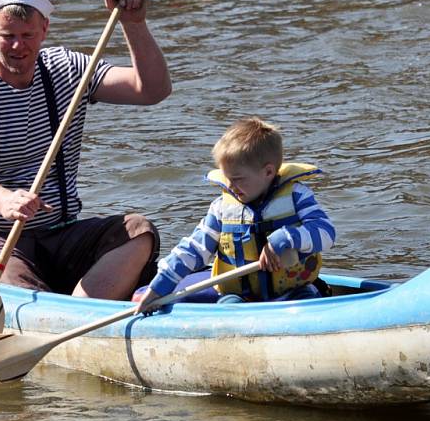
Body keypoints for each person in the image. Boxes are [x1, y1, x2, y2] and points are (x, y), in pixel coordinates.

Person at [0, 0, 171, 299]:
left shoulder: (68, 69)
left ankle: (84, 312)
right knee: (15, 280)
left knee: (139, 231)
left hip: (59, 234)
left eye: (28, 35)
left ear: (44, 29)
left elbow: (152, 90)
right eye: (7, 36)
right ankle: (52, 314)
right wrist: (5, 201)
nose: (18, 47)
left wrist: (134, 24)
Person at [135, 117, 336, 312]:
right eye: (227, 178)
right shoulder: (222, 207)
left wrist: (285, 238)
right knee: (228, 306)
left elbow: (326, 233)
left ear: (268, 172)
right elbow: (194, 249)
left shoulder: (297, 196)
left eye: (238, 178)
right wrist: (158, 288)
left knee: (309, 298)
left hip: (293, 291)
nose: (230, 186)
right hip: (240, 297)